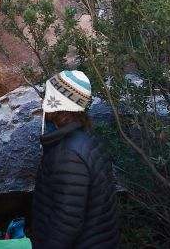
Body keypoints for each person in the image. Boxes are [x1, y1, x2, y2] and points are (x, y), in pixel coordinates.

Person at [32, 70, 119, 248]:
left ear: (56, 104)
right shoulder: (85, 141)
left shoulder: (68, 154)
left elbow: (67, 222)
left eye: (47, 96)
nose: (42, 102)